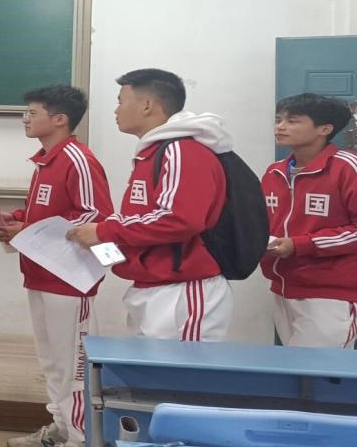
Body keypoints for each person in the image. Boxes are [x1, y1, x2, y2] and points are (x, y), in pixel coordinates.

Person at [68, 68, 233, 341]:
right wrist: (103, 244)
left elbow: (179, 220)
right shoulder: (153, 153)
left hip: (182, 291)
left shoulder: (181, 151)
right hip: (150, 287)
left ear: (147, 105)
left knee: (181, 368)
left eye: (121, 101)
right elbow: (143, 225)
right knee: (150, 368)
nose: (116, 110)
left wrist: (103, 231)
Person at [0, 86, 113, 447]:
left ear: (59, 119)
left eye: (33, 112)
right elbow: (50, 212)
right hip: (41, 273)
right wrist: (15, 220)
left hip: (70, 279)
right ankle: (61, 428)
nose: (25, 119)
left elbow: (96, 217)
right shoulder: (46, 161)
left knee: (73, 367)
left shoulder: (78, 159)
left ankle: (80, 439)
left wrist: (27, 228)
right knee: (52, 362)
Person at [261, 93, 357, 348]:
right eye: (278, 120)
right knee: (294, 369)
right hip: (282, 289)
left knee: (321, 370)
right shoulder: (274, 171)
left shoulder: (349, 167)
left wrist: (300, 245)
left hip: (329, 295)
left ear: (324, 129)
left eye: (292, 121)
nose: (281, 127)